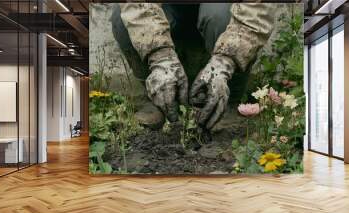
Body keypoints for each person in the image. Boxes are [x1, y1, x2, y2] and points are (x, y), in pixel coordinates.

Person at [112, 3, 275, 130]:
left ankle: (228, 101)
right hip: (167, 8)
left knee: (220, 16)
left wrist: (224, 63)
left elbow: (256, 10)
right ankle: (158, 99)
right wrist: (160, 58)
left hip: (220, 9)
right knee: (121, 18)